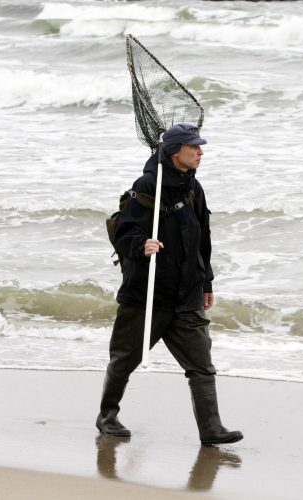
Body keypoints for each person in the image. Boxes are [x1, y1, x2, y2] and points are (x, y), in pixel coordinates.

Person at [96, 123, 243, 446]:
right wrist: (141, 245)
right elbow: (125, 231)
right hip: (147, 293)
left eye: (200, 147)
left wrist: (207, 282)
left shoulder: (195, 187)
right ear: (176, 152)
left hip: (187, 293)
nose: (201, 152)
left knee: (202, 366)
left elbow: (203, 237)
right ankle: (107, 415)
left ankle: (211, 429)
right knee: (124, 360)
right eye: (194, 147)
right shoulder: (148, 184)